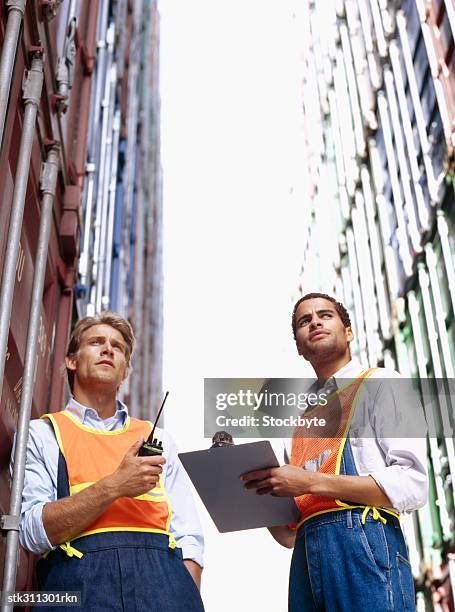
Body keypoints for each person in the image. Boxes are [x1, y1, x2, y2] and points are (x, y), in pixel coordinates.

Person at [241, 293, 427, 611]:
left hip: (366, 548)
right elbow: (289, 535)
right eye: (304, 320)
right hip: (307, 557)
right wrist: (257, 498)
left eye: (325, 315)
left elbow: (413, 484)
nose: (314, 321)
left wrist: (310, 482)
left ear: (348, 332)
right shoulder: (298, 425)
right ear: (300, 348)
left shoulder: (381, 384)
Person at [12, 312, 204, 611]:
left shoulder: (160, 440)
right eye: (96, 342)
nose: (108, 349)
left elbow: (188, 535)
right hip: (77, 590)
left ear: (125, 370)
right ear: (71, 361)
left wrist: (183, 594)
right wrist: (115, 485)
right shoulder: (43, 434)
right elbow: (32, 533)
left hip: (164, 589)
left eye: (118, 347)